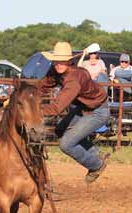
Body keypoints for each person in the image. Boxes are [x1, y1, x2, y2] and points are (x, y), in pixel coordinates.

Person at [41, 42, 109, 183]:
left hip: (97, 111)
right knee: (60, 130)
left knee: (66, 144)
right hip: (83, 109)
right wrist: (24, 91)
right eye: (56, 61)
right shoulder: (57, 71)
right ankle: (95, 154)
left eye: (62, 61)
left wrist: (32, 110)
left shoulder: (73, 78)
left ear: (69, 61)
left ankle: (96, 165)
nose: (59, 64)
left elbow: (56, 108)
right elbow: (42, 84)